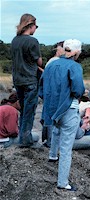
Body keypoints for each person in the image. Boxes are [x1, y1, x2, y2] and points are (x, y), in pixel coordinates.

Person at [39, 39, 85, 191]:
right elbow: (78, 89)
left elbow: (41, 87)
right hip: (69, 108)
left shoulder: (51, 65)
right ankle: (63, 183)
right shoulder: (75, 66)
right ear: (76, 52)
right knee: (66, 149)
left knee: (56, 130)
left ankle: (52, 155)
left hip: (52, 109)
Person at [10, 13, 42, 147]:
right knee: (30, 110)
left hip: (17, 80)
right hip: (30, 79)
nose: (36, 29)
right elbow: (38, 61)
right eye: (36, 26)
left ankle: (22, 138)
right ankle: (25, 139)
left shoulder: (14, 40)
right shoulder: (32, 41)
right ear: (31, 25)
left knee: (23, 109)